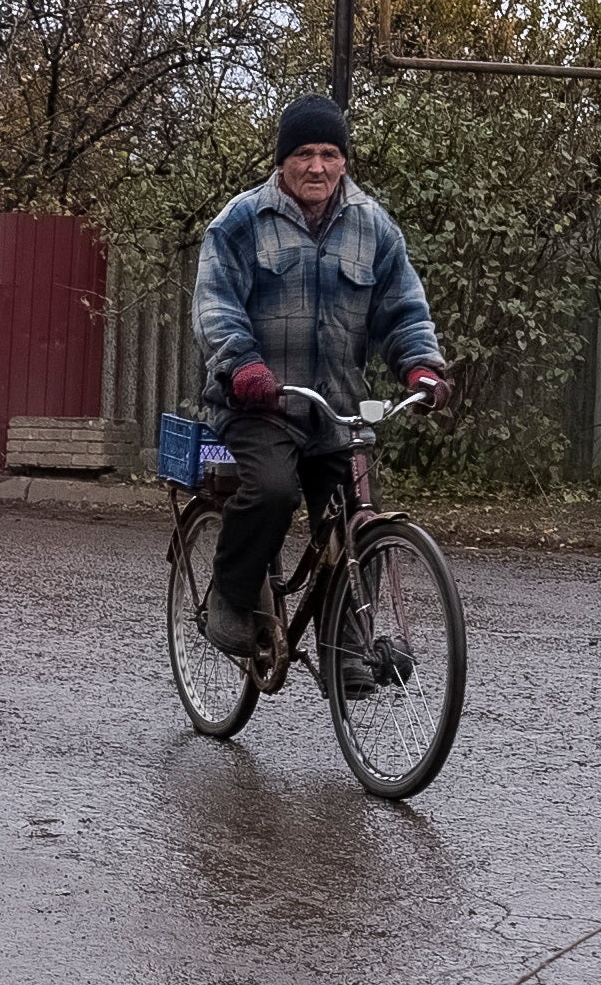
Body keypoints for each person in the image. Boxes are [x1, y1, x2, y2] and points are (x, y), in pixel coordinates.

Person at [187, 92, 448, 659]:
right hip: (260, 404)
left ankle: (347, 652)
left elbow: (402, 308)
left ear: (344, 161)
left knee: (360, 515)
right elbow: (215, 305)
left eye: (329, 153)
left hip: (337, 406)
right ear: (283, 161)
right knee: (272, 491)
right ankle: (231, 599)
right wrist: (243, 364)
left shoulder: (373, 226)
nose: (317, 166)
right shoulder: (241, 221)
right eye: (304, 152)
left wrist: (421, 366)